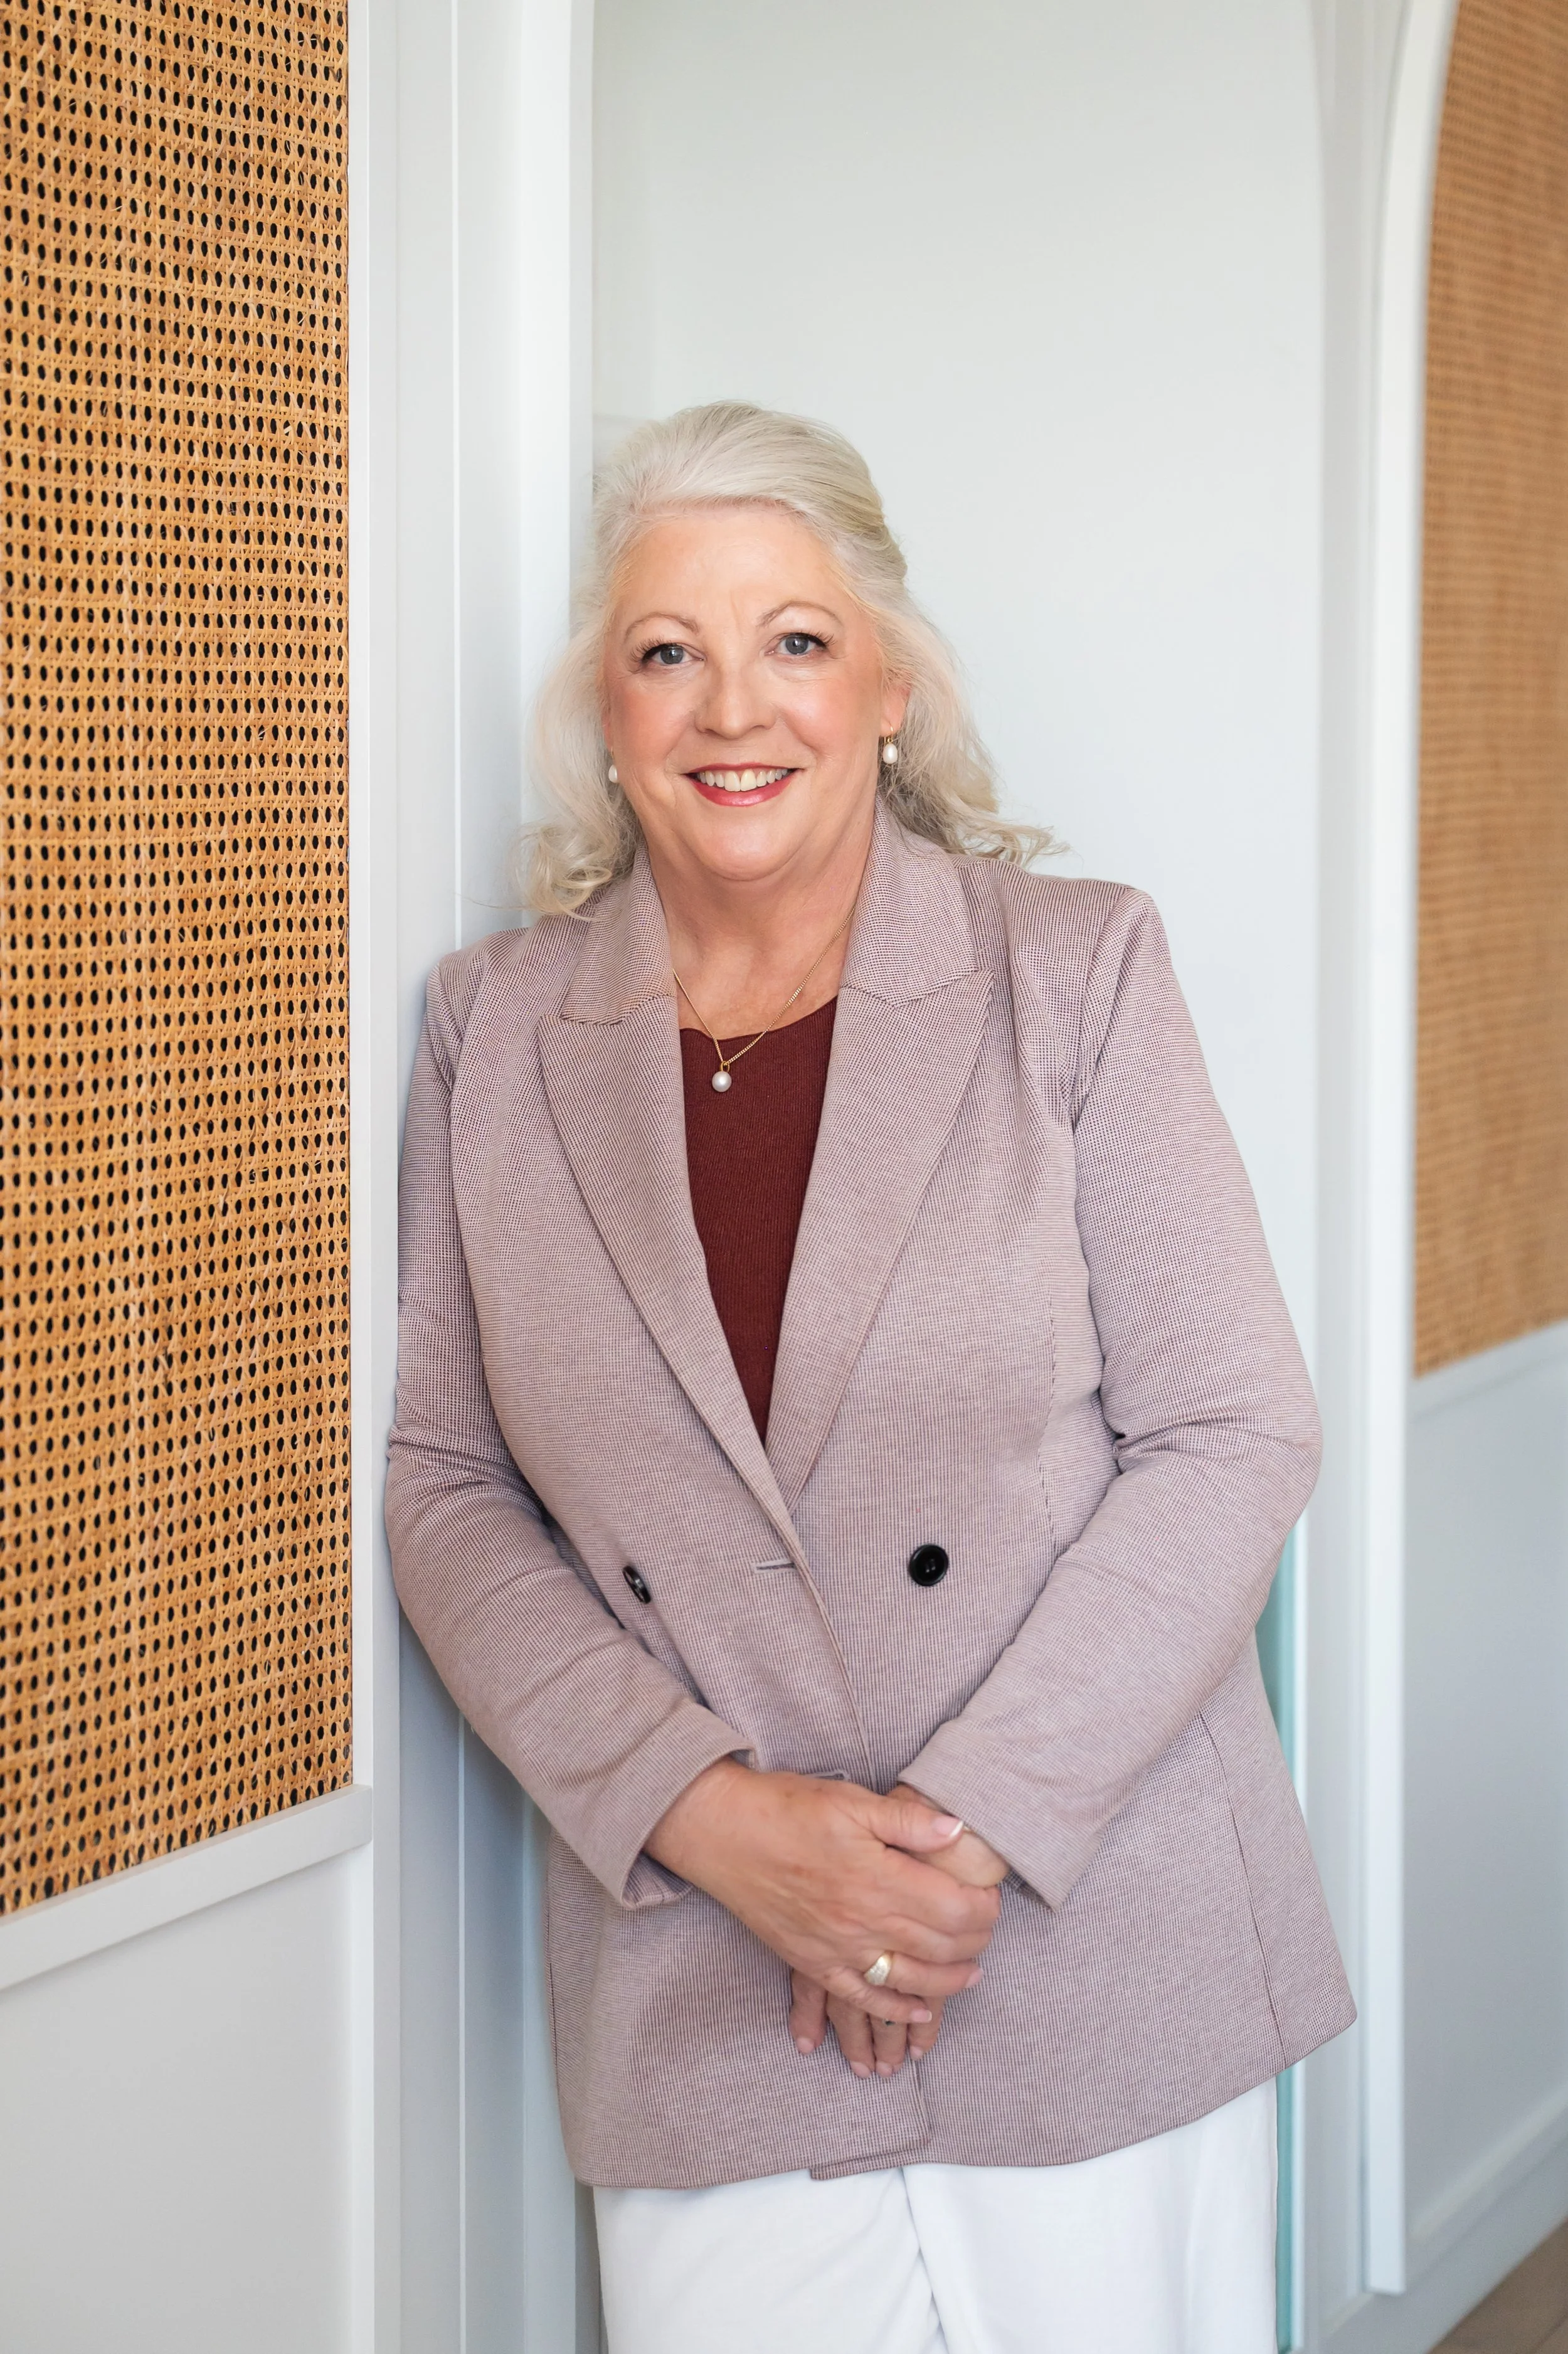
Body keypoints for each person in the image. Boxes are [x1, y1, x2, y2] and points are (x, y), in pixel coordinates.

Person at [386, 402, 1353, 2354]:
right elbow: (448, 1488)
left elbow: (1230, 1429)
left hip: (1081, 1926)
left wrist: (944, 1846)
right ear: (607, 707)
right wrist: (723, 1824)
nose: (729, 705)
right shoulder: (492, 1033)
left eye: (795, 641)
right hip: (708, 1961)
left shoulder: (1070, 973)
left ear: (890, 682)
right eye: (666, 651)